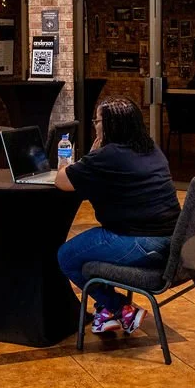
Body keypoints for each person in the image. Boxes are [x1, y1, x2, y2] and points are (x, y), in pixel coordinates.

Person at [56, 97, 181, 334]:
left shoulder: (108, 156)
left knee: (67, 257)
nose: (95, 125)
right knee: (89, 252)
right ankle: (106, 312)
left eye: (98, 120)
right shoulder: (150, 148)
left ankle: (123, 308)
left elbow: (62, 182)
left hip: (142, 244)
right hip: (172, 243)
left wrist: (71, 161)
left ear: (111, 125)